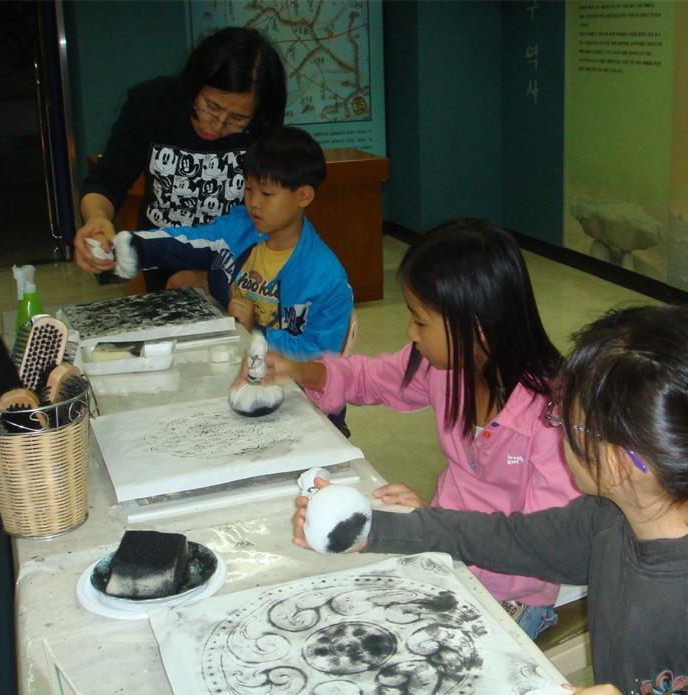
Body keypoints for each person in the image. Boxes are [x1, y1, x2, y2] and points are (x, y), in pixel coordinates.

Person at [294, 304, 688, 693]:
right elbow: (500, 536)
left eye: (566, 420)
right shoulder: (610, 520)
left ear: (621, 459)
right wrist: (371, 528)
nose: (556, 427)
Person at [262, 219, 581, 639]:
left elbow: (541, 544)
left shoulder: (551, 416)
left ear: (477, 327)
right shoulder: (445, 367)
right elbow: (371, 378)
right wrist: (299, 370)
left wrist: (430, 524)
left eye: (420, 321)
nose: (411, 334)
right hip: (443, 553)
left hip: (509, 592)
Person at [80, 125, 352, 359]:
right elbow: (187, 242)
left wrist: (257, 329)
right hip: (236, 365)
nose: (253, 203)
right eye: (248, 189)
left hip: (297, 396)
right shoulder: (239, 229)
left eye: (267, 194)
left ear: (304, 196)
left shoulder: (325, 277)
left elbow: (322, 357)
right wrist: (129, 248)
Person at [73, 26, 287, 293]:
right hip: (164, 265)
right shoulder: (151, 105)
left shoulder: (263, 126)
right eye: (212, 107)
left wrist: (216, 277)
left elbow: (277, 216)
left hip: (240, 268)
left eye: (237, 119)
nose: (217, 126)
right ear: (195, 82)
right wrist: (96, 218)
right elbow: (107, 180)